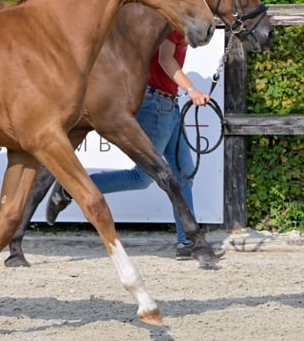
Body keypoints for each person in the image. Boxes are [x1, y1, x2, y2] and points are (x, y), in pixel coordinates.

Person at [45, 28, 210, 260]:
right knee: (141, 178)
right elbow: (165, 58)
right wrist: (192, 89)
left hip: (169, 106)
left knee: (183, 175)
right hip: (154, 105)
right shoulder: (169, 25)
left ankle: (187, 241)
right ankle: (73, 187)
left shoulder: (180, 26)